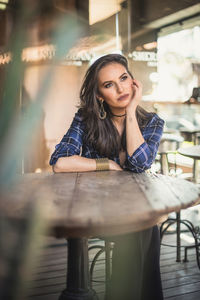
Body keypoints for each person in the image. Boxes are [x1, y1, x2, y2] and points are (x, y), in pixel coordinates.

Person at [49, 54, 164, 300]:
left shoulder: (152, 122)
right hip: (96, 211)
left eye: (124, 78)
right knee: (143, 229)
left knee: (145, 226)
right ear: (100, 94)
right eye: (109, 84)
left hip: (133, 211)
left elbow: (139, 162)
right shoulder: (86, 119)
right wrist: (108, 164)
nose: (121, 88)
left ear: (133, 82)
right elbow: (60, 162)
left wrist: (131, 111)